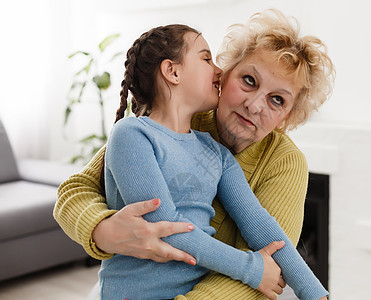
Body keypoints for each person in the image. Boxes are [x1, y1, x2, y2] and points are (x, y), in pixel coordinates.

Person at [54, 9, 334, 300]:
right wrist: (102, 229)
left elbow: (265, 237)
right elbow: (78, 190)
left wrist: (316, 294)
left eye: (277, 100)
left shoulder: (266, 160)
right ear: (225, 76)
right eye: (249, 80)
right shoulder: (151, 128)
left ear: (288, 116)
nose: (254, 106)